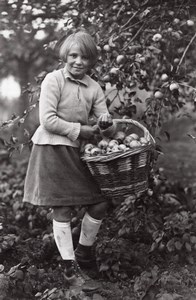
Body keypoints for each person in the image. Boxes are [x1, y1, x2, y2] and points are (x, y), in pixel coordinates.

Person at [23, 29, 116, 292]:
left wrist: (106, 126)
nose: (77, 61)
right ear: (65, 55)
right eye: (73, 55)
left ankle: (84, 252)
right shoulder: (54, 80)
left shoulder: (93, 87)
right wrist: (80, 130)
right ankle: (69, 269)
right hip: (51, 149)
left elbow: (105, 124)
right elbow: (48, 120)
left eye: (84, 57)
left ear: (92, 61)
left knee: (100, 202)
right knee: (62, 208)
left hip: (77, 152)